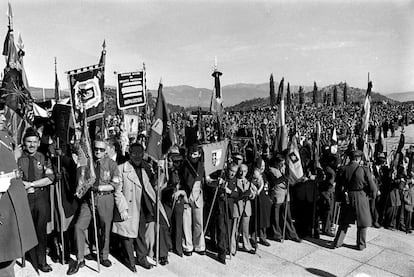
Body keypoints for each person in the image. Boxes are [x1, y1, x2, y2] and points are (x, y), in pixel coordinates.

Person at [67, 139, 121, 275]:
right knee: (79, 226)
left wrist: (99, 187)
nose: (98, 151)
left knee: (105, 227)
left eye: (101, 149)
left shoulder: (112, 164)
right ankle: (80, 259)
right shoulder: (88, 163)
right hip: (89, 199)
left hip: (105, 198)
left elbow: (115, 184)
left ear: (106, 151)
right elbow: (81, 179)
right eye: (96, 149)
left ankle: (104, 255)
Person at [112, 143, 169, 271]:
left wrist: (160, 170)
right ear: (129, 154)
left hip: (143, 205)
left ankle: (142, 258)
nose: (138, 157)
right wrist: (122, 208)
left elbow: (154, 183)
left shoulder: (146, 167)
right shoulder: (121, 169)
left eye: (140, 154)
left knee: (141, 234)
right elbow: (117, 191)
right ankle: (130, 261)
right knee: (128, 236)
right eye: (134, 154)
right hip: (129, 206)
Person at [0, 108, 37, 277]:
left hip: (11, 204)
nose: (3, 117)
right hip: (3, 206)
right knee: (4, 260)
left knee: (10, 256)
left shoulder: (4, 137)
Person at [18, 127, 55, 273]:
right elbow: (12, 177)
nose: (32, 145)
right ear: (24, 142)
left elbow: (50, 178)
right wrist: (24, 186)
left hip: (40, 198)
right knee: (26, 228)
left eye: (34, 142)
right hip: (24, 197)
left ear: (39, 143)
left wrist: (32, 184)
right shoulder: (18, 159)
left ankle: (42, 261)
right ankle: (26, 255)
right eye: (29, 141)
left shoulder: (43, 158)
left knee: (41, 230)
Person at [333, 150, 377, 250]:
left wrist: (339, 198)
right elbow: (372, 186)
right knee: (362, 223)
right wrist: (372, 196)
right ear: (358, 158)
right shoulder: (364, 169)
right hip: (361, 196)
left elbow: (338, 186)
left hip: (347, 196)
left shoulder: (343, 169)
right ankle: (361, 244)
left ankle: (337, 242)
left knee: (344, 222)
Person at [266, 155, 301, 242]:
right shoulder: (271, 170)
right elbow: (274, 182)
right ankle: (276, 234)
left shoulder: (284, 168)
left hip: (286, 195)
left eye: (283, 163)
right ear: (276, 163)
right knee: (276, 217)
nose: (282, 165)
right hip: (277, 195)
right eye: (280, 163)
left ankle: (291, 234)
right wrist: (284, 177)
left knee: (287, 216)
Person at [180, 143, 206, 256]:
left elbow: (207, 178)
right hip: (186, 193)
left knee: (198, 222)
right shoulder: (184, 164)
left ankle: (199, 245)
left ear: (199, 154)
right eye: (190, 153)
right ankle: (187, 246)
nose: (192, 156)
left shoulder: (202, 165)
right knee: (186, 221)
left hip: (198, 193)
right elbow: (181, 179)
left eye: (195, 154)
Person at [230, 164, 256, 255]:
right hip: (237, 206)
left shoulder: (248, 182)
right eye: (241, 171)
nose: (242, 173)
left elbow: (254, 194)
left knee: (245, 229)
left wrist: (251, 195)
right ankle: (232, 248)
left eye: (245, 171)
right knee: (234, 228)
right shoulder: (235, 181)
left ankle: (247, 245)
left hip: (246, 207)